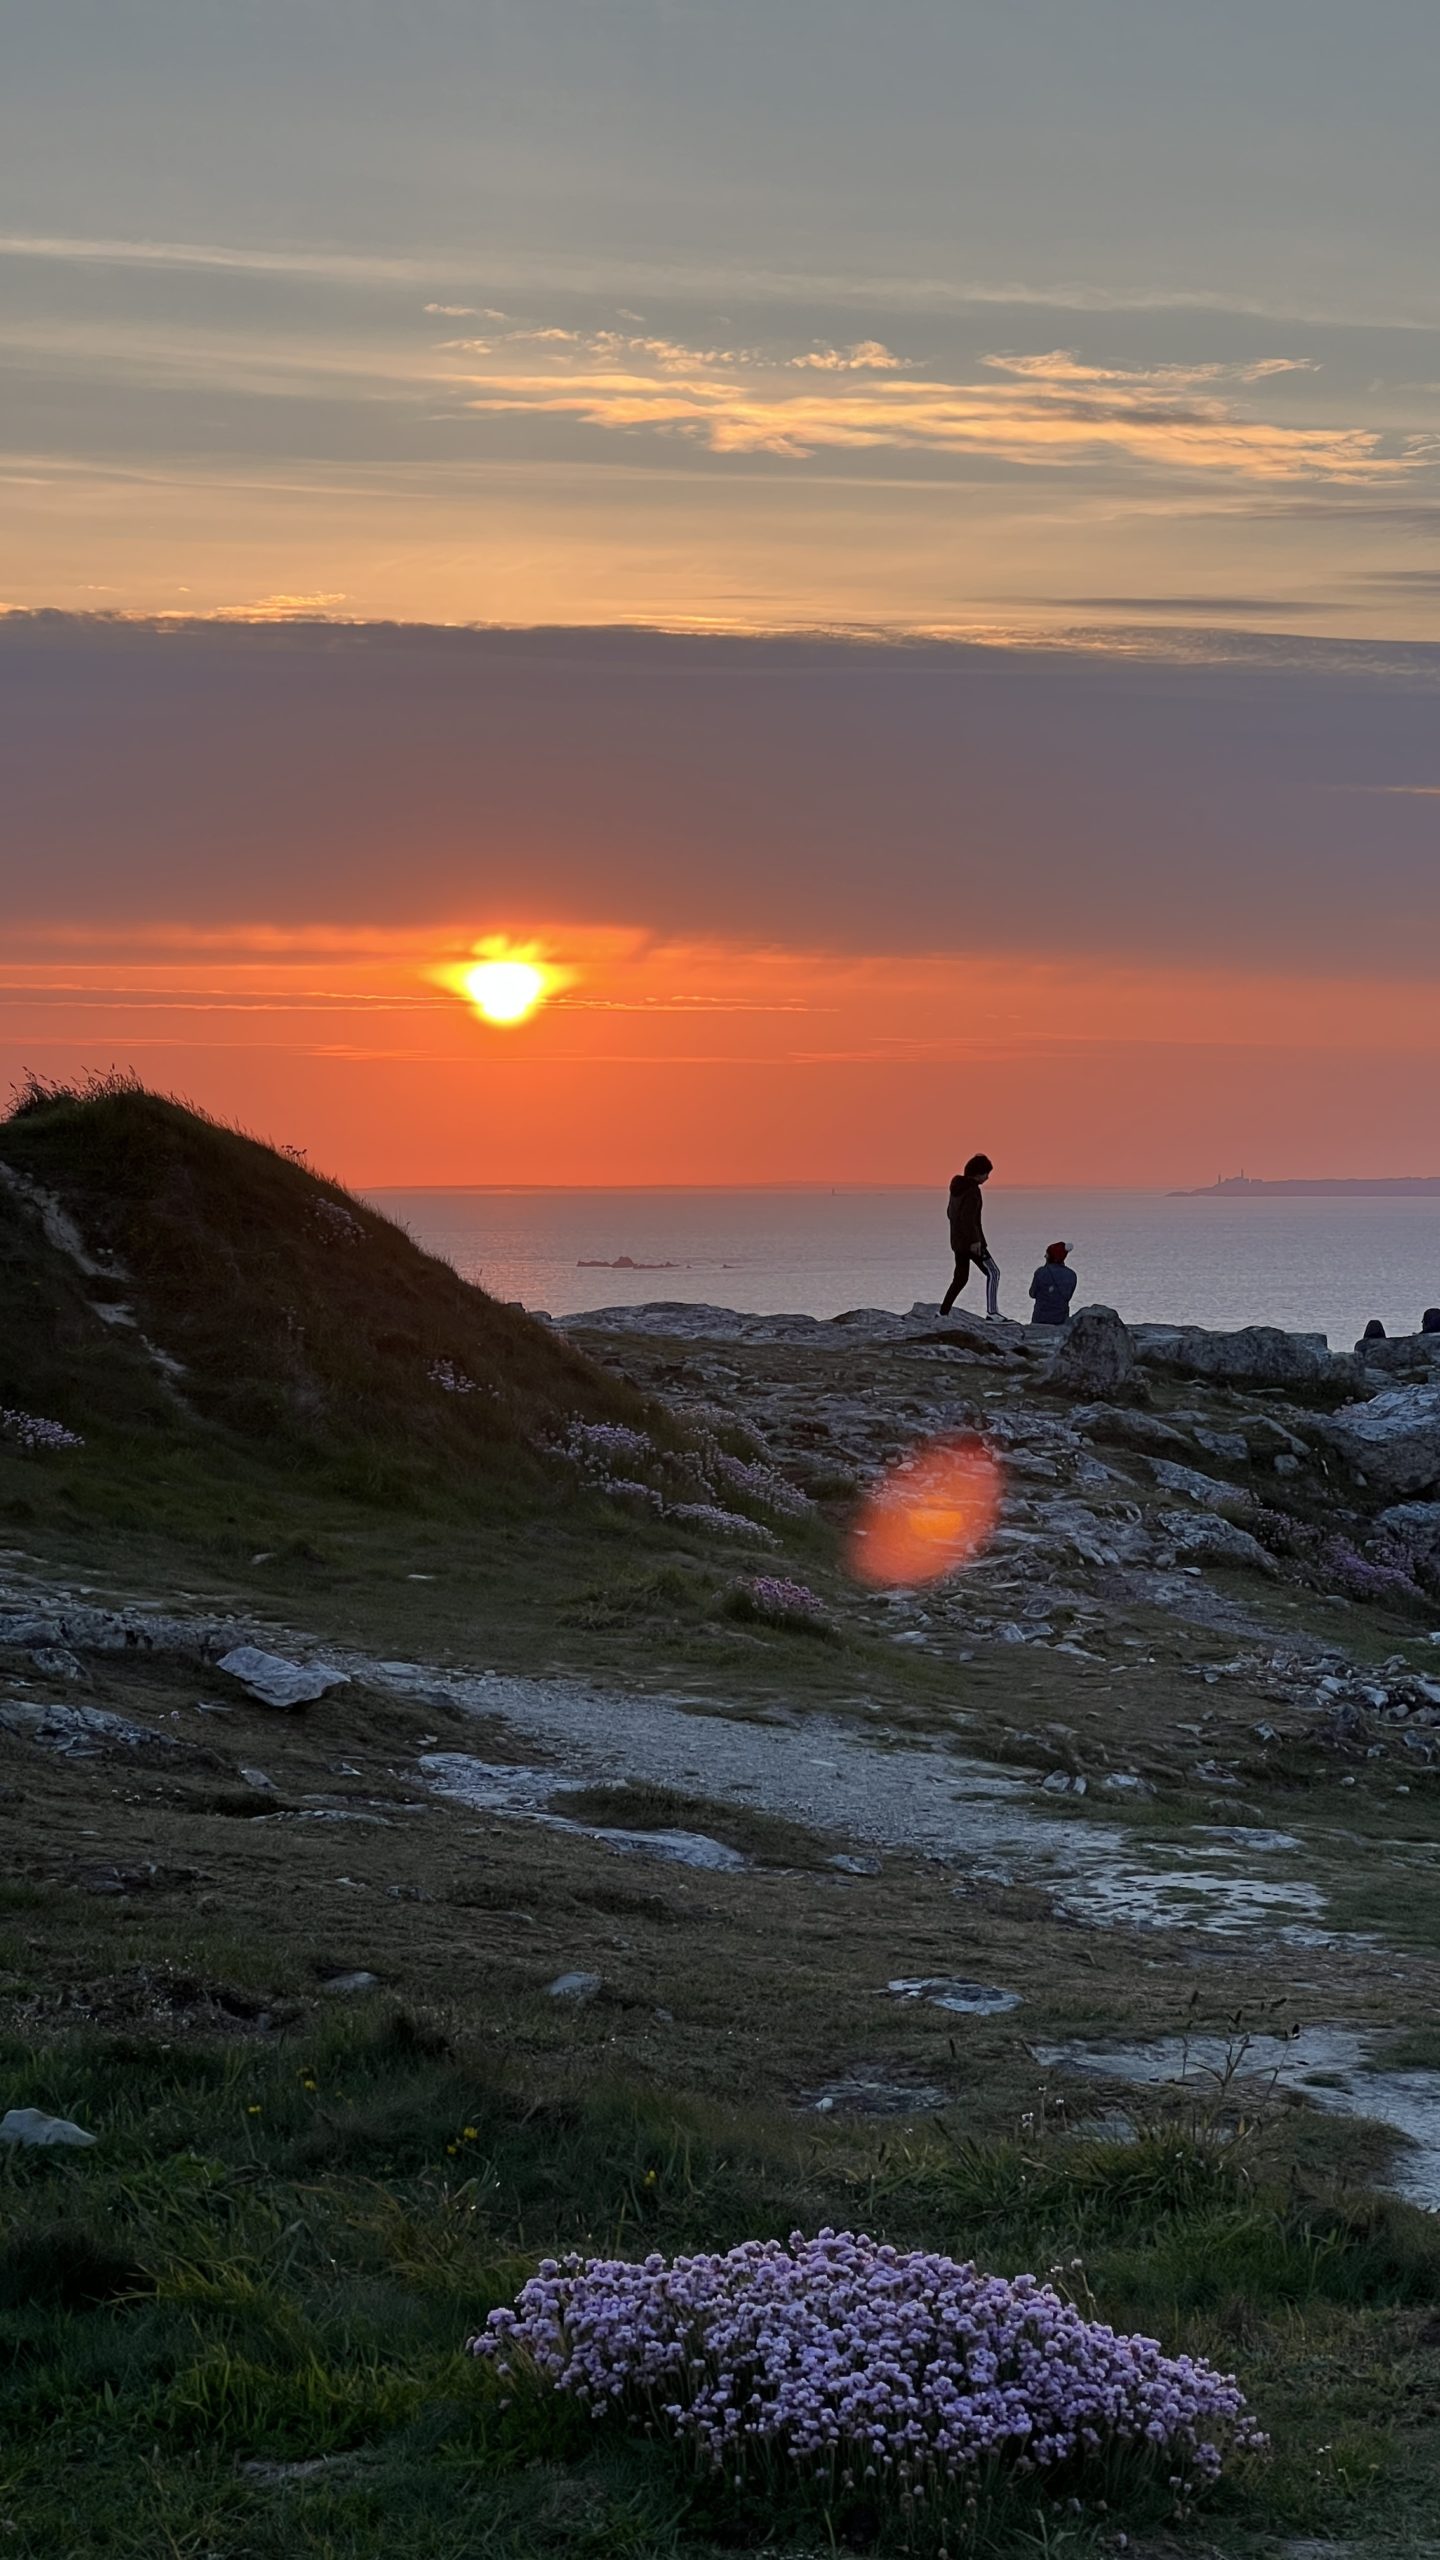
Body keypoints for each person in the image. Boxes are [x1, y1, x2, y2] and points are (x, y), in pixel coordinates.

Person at [941, 1153, 1000, 1317]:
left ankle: (943, 1312)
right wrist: (975, 1241)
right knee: (993, 1272)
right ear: (978, 1173)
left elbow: (951, 1213)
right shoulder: (973, 1190)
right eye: (986, 1174)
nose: (987, 1177)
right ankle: (992, 1313)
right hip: (972, 1243)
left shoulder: (957, 1188)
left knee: (960, 1279)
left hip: (957, 1242)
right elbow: (969, 1218)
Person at [1029, 1240, 1077, 1327]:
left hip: (1039, 1321)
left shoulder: (1041, 1272)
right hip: (1061, 1321)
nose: (1045, 1256)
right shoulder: (1072, 1275)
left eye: (1047, 1254)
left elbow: (1032, 1294)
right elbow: (1068, 1297)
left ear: (1050, 1257)